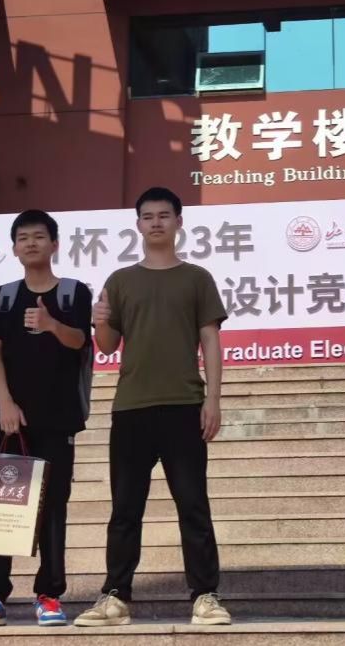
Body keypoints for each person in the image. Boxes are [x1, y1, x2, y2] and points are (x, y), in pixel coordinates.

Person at [75, 186, 231, 627]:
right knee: (125, 509)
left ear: (179, 222)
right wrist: (99, 321)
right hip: (132, 408)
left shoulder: (197, 277)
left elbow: (210, 340)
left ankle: (205, 596)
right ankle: (115, 596)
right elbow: (108, 346)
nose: (156, 222)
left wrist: (213, 399)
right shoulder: (121, 280)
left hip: (185, 405)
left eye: (164, 215)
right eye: (148, 216)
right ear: (138, 225)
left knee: (193, 505)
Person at [0, 210, 93, 628]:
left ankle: (49, 594)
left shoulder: (73, 293)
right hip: (8, 417)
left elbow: (80, 341)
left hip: (57, 416)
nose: (31, 243)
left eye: (39, 236)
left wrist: (51, 324)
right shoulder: (3, 296)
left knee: (53, 505)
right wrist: (5, 402)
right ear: (14, 248)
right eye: (23, 238)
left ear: (55, 244)